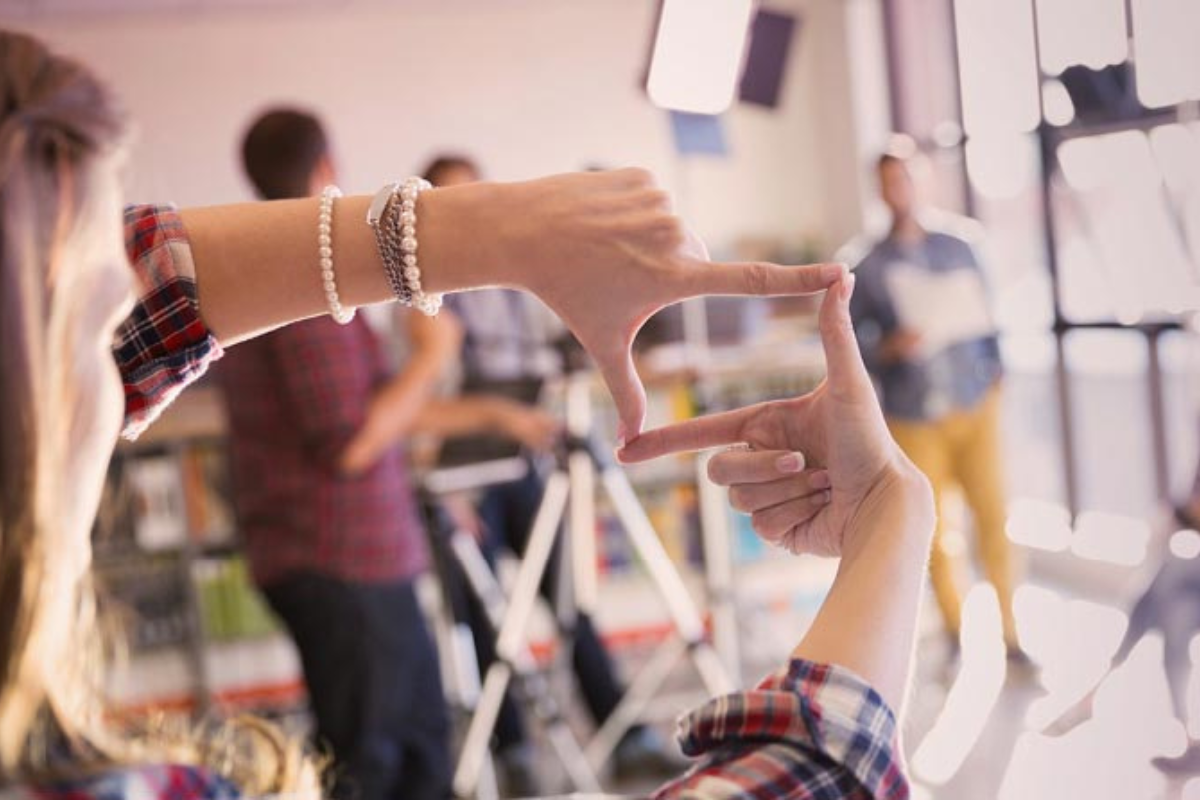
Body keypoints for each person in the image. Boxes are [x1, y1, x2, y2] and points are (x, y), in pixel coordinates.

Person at [0, 28, 920, 800]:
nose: (120, 363)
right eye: (92, 328)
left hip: (369, 543)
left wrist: (478, 232)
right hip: (345, 551)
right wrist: (891, 514)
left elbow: (143, 278)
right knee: (401, 749)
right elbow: (351, 435)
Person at [217, 110, 557, 800]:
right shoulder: (296, 282)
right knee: (383, 762)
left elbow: (377, 412)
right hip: (340, 559)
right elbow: (354, 442)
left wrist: (493, 413)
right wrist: (433, 358)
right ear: (326, 169)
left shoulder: (287, 272)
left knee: (415, 747)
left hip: (357, 557)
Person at [422, 154, 685, 793]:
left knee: (572, 601)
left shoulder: (520, 287)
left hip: (525, 469)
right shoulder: (422, 300)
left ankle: (625, 738)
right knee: (485, 623)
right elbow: (418, 407)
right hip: (459, 482)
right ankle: (511, 753)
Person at [843, 135, 1026, 663]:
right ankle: (955, 631)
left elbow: (990, 315)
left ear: (919, 180)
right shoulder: (867, 264)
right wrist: (888, 348)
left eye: (905, 177)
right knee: (935, 530)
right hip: (914, 412)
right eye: (888, 181)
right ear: (879, 189)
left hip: (975, 400)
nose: (898, 189)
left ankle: (1012, 633)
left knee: (994, 517)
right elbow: (852, 345)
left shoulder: (961, 245)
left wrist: (998, 374)